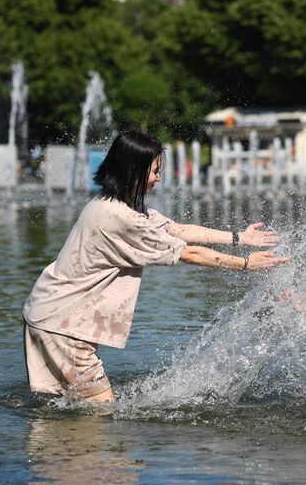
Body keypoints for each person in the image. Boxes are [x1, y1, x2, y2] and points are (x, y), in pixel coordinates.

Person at [22, 131, 289, 402]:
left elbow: (177, 230)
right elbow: (188, 253)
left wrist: (238, 238)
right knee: (100, 415)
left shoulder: (113, 201)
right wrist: (246, 264)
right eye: (155, 171)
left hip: (49, 315)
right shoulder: (120, 217)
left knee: (62, 410)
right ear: (133, 170)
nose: (159, 178)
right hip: (63, 328)